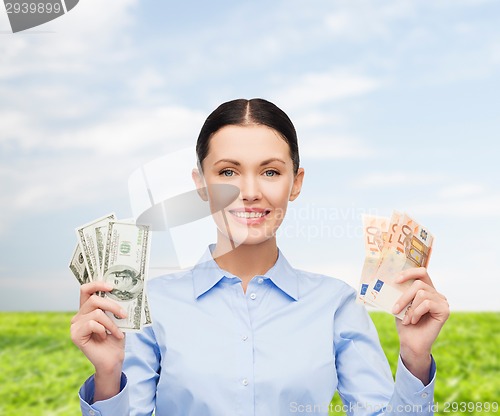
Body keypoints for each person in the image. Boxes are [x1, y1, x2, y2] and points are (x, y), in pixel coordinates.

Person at [71, 98, 450, 415]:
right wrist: (108, 376)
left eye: (270, 171)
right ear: (200, 185)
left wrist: (415, 357)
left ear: (296, 183)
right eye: (228, 172)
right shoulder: (151, 305)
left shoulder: (335, 304)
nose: (249, 192)